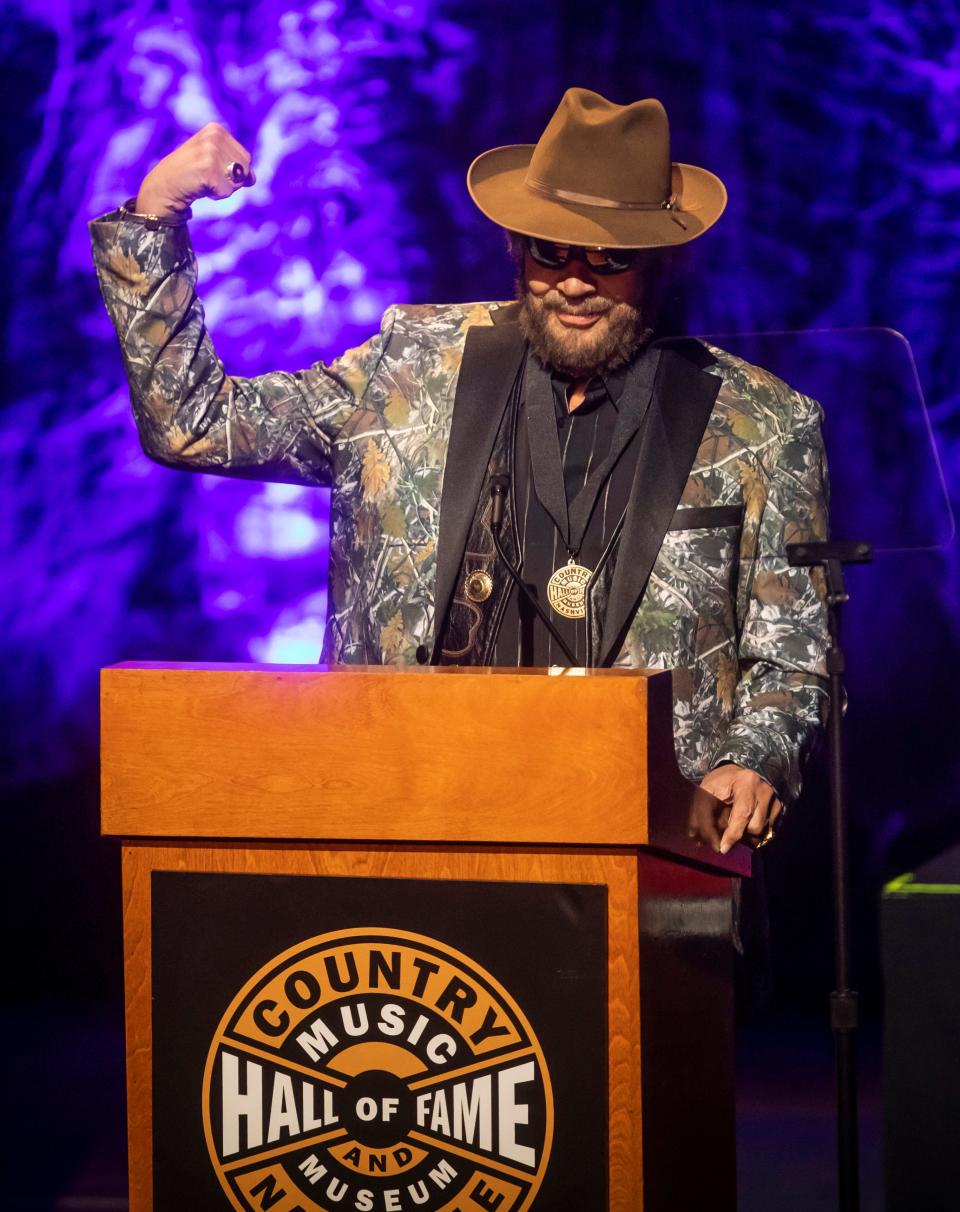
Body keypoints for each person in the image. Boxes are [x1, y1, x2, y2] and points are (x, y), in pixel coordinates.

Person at [90, 88, 829, 856]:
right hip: (412, 821)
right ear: (516, 246)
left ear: (657, 264)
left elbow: (796, 656)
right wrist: (156, 217)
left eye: (612, 257)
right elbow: (197, 425)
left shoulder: (761, 423)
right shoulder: (411, 366)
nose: (577, 280)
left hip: (640, 853)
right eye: (553, 249)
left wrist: (754, 757)